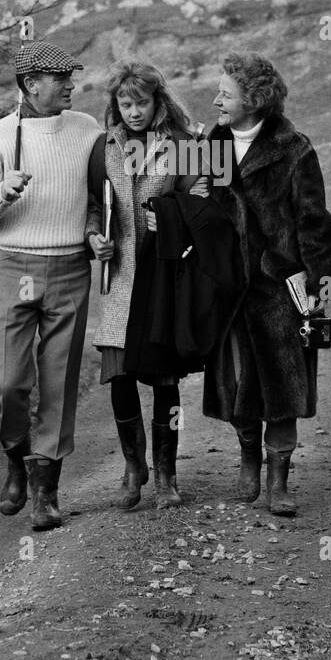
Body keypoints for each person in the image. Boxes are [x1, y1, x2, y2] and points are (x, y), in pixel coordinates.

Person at [0, 40, 100, 532]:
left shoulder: (87, 131)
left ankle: (45, 492)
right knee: (9, 380)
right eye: (59, 79)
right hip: (16, 268)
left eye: (70, 77)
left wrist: (99, 233)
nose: (69, 85)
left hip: (71, 269)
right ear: (29, 84)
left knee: (58, 381)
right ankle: (15, 455)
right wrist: (0, 193)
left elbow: (104, 194)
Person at [202, 52, 331, 516]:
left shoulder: (294, 149)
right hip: (229, 287)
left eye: (225, 93)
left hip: (281, 287)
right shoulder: (212, 145)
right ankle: (247, 459)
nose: (215, 99)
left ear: (254, 101)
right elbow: (203, 210)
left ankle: (278, 478)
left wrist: (319, 283)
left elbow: (314, 220)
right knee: (238, 379)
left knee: (283, 382)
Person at [86, 62, 208, 510]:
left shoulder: (183, 144)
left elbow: (203, 199)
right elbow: (94, 206)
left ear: (158, 101)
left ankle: (167, 478)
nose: (133, 111)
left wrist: (173, 217)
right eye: (125, 102)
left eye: (141, 102)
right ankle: (134, 467)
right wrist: (93, 236)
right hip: (120, 279)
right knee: (120, 374)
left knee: (163, 378)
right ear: (114, 104)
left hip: (164, 278)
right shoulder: (102, 147)